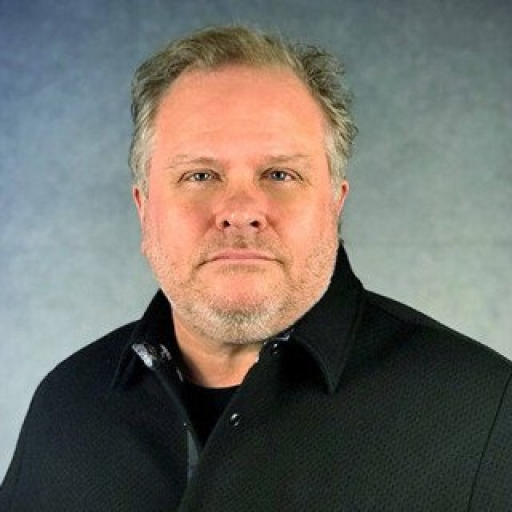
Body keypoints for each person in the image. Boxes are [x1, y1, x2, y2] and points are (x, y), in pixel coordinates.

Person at [1, 24, 511, 512]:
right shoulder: (66, 406)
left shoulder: (485, 413)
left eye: (279, 174)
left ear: (335, 203)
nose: (240, 210)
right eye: (200, 175)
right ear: (144, 208)